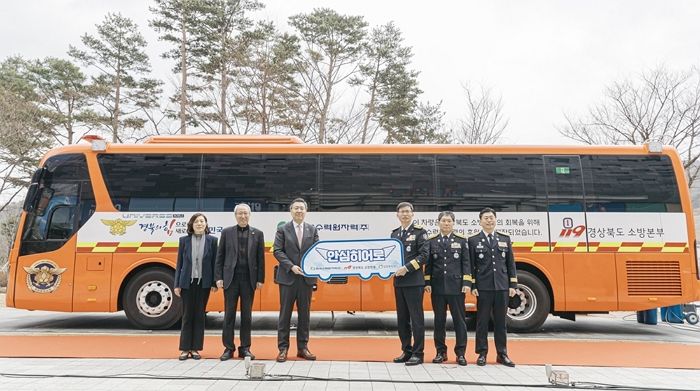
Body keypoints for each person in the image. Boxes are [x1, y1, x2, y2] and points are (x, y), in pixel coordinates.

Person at [468, 207, 517, 367]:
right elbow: (471, 266)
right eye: (486, 218)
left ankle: (502, 354)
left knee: (501, 322)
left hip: (502, 286)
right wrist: (473, 284)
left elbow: (510, 264)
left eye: (492, 218)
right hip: (483, 287)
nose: (489, 220)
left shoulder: (505, 238)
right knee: (482, 321)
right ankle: (482, 353)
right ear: (480, 221)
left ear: (495, 220)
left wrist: (513, 284)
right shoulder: (473, 240)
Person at [215, 203, 265, 361]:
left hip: (248, 280)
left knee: (247, 316)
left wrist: (260, 279)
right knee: (229, 315)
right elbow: (220, 257)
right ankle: (228, 348)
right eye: (240, 213)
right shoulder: (227, 232)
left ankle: (245, 348)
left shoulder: (257, 233)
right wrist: (218, 278)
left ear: (250, 215)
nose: (243, 216)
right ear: (235, 215)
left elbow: (260, 259)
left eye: (245, 214)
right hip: (231, 279)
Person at [273, 198, 319, 362]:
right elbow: (277, 251)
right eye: (296, 208)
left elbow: (317, 251)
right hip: (288, 278)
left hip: (306, 279)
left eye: (302, 208)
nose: (299, 211)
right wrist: (291, 266)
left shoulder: (312, 230)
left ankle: (303, 348)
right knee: (284, 315)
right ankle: (283, 349)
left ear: (306, 211)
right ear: (291, 211)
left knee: (304, 315)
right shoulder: (283, 229)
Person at [424, 211, 471, 366]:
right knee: (439, 321)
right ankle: (440, 352)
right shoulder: (432, 241)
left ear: (453, 223)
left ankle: (461, 354)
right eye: (443, 221)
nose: (446, 223)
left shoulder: (462, 241)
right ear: (438, 223)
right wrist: (428, 283)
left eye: (449, 221)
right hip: (437, 288)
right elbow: (429, 266)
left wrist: (466, 283)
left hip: (456, 288)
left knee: (459, 321)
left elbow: (466, 264)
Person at [174, 213, 218, 360]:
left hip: (204, 284)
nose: (200, 224)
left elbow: (214, 264)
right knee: (187, 315)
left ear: (206, 224)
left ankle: (196, 349)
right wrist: (177, 284)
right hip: (187, 283)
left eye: (202, 221)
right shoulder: (184, 241)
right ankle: (185, 349)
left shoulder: (212, 241)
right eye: (197, 222)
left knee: (199, 315)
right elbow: (179, 264)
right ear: (192, 225)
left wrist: (213, 282)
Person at [390, 202, 429, 366]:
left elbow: (424, 256)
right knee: (402, 319)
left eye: (408, 212)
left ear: (413, 214)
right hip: (399, 283)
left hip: (414, 282)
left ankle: (418, 353)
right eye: (402, 212)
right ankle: (406, 350)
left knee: (416, 318)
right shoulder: (395, 234)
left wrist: (406, 268)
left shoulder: (420, 233)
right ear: (397, 215)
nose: (405, 214)